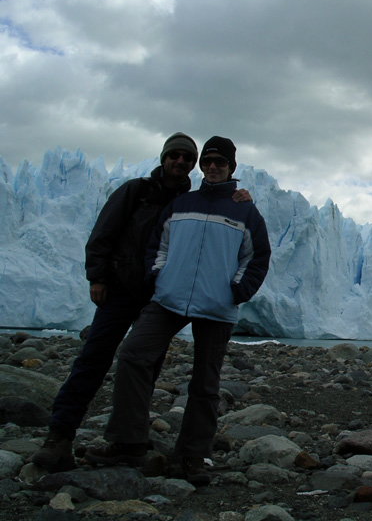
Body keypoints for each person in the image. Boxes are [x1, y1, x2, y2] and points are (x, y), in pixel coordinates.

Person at [31, 133, 249, 472]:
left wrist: (238, 197)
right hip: (119, 291)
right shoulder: (136, 191)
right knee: (92, 361)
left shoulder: (193, 199)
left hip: (159, 297)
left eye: (186, 158)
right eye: (174, 155)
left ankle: (131, 440)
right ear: (163, 158)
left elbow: (242, 246)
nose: (180, 161)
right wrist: (98, 277)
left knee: (144, 367)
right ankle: (59, 436)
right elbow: (103, 233)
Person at [85, 136, 271, 486]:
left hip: (217, 307)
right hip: (169, 299)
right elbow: (158, 245)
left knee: (205, 383)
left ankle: (192, 455)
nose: (213, 167)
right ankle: (129, 441)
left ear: (232, 167)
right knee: (134, 354)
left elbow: (257, 256)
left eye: (220, 162)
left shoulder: (245, 210)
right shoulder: (182, 203)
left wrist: (237, 290)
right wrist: (159, 277)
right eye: (208, 161)